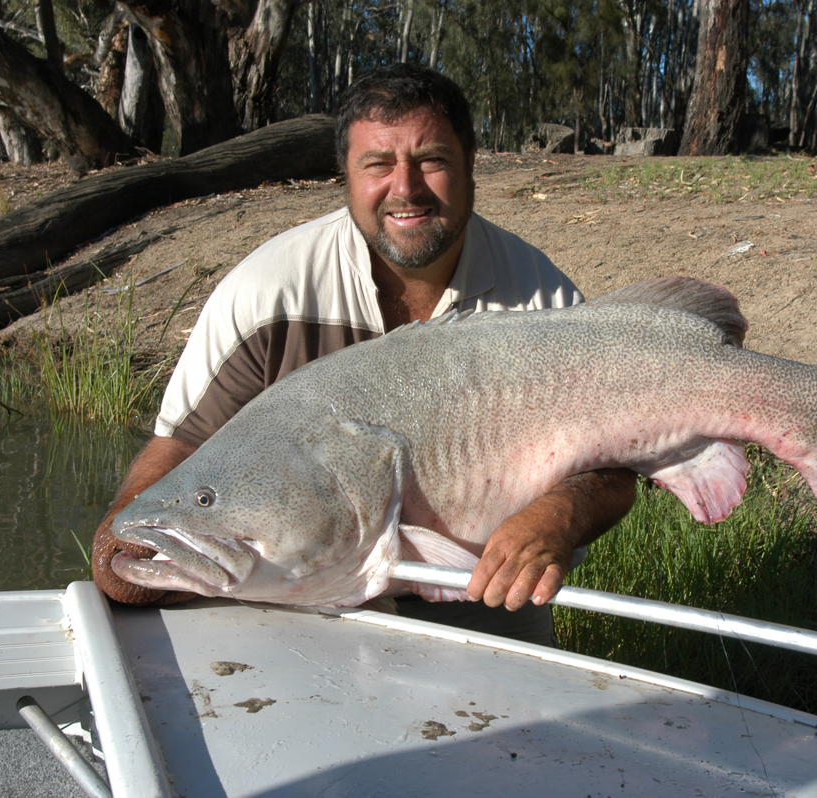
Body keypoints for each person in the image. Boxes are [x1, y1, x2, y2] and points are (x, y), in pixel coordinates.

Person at [91, 63, 635, 645]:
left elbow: (614, 469)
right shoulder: (266, 293)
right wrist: (124, 550)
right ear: (344, 177)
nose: (406, 188)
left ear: (470, 165)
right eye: (377, 164)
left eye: (432, 160)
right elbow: (180, 448)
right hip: (302, 604)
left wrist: (560, 517)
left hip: (487, 594)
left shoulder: (544, 299)